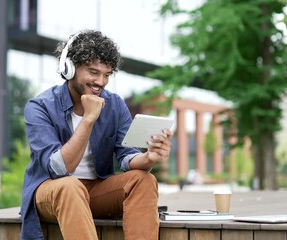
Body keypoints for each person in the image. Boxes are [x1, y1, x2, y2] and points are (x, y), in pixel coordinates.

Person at [20, 29, 173, 240]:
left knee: (143, 179)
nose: (101, 81)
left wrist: (148, 157)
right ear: (69, 68)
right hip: (51, 190)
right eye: (93, 72)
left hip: (96, 190)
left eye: (107, 74)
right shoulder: (40, 107)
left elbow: (127, 157)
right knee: (70, 185)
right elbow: (59, 168)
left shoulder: (115, 104)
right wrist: (88, 119)